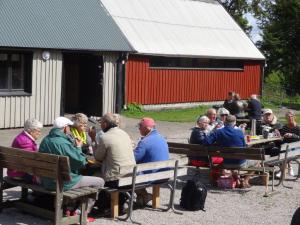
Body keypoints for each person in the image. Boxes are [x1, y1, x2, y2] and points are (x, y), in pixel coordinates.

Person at [39, 117, 104, 217]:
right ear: (65, 128)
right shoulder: (62, 143)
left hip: (47, 180)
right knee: (100, 181)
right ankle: (81, 212)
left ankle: (69, 207)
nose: (70, 129)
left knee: (77, 175)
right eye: (69, 127)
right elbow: (80, 162)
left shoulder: (45, 140)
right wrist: (78, 147)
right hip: (62, 183)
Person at [203, 115, 258, 188]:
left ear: (225, 122)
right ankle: (245, 181)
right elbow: (244, 147)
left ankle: (237, 180)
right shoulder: (239, 132)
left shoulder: (218, 132)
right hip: (240, 163)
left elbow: (206, 142)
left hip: (226, 163)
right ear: (235, 123)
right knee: (257, 162)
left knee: (223, 164)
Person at [134, 117, 169, 206]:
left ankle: (144, 195)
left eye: (140, 126)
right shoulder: (162, 138)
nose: (139, 128)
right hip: (164, 174)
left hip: (151, 176)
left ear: (147, 128)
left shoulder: (144, 142)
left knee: (127, 175)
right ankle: (143, 196)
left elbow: (134, 158)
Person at [93, 113, 135, 183]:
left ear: (105, 124)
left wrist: (93, 139)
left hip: (115, 179)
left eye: (101, 123)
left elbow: (98, 157)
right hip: (130, 177)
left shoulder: (105, 137)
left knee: (91, 177)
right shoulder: (124, 133)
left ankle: (104, 194)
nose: (100, 125)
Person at [7, 118, 43, 183]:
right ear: (31, 131)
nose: (40, 133)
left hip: (16, 170)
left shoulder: (22, 136)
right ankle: (38, 192)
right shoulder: (26, 141)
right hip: (19, 173)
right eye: (38, 131)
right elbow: (30, 161)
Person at [278, 111, 300, 177]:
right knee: (281, 149)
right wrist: (281, 135)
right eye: (288, 117)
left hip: (296, 146)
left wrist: (292, 135)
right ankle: (288, 168)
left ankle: (283, 170)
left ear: (294, 117)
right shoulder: (284, 127)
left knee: (285, 150)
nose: (289, 118)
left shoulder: (298, 127)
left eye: (291, 116)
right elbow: (282, 137)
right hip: (286, 146)